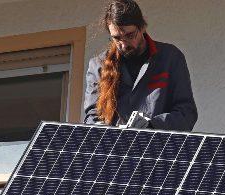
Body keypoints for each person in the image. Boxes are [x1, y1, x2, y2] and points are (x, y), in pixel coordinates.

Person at [84, 0, 198, 131]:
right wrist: (105, 133)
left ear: (142, 27)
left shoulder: (170, 58)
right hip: (114, 148)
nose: (124, 44)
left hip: (160, 147)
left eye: (129, 35)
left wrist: (153, 125)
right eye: (117, 38)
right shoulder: (98, 66)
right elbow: (92, 116)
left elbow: (186, 113)